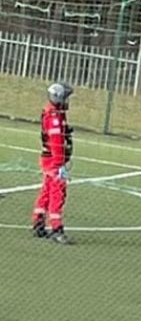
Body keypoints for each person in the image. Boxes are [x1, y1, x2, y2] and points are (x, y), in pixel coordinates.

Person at [32, 81, 74, 245]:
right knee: (57, 192)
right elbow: (56, 143)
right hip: (53, 161)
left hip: (48, 159)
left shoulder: (53, 113)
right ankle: (56, 228)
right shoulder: (54, 118)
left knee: (47, 190)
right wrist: (60, 164)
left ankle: (38, 221)